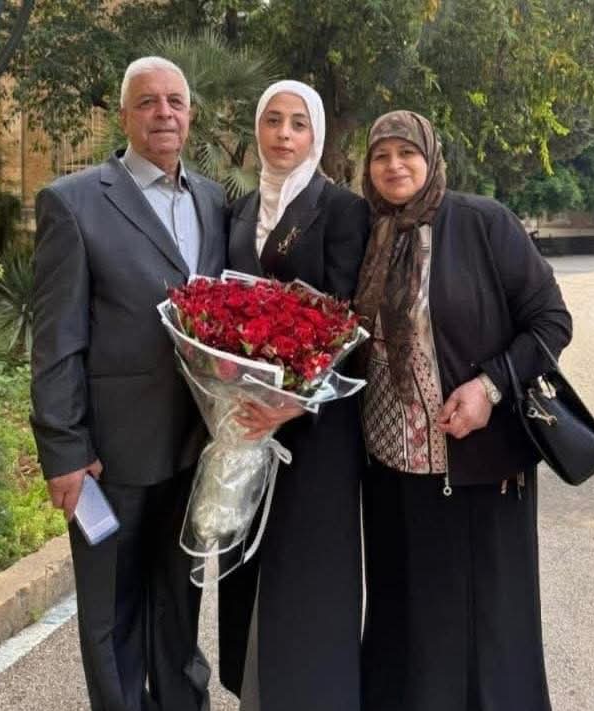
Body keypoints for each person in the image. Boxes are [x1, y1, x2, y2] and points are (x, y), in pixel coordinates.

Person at [354, 110, 572, 711]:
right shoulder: (370, 234)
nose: (394, 166)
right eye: (381, 155)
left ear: (431, 157)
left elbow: (551, 321)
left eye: (407, 153)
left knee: (484, 624)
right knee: (406, 618)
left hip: (476, 465)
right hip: (391, 470)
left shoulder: (481, 222)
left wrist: (489, 387)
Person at [30, 57, 227, 711]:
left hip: (192, 449)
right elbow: (56, 340)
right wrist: (64, 449)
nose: (163, 113)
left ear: (190, 114)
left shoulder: (212, 200)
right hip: (108, 458)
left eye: (175, 101)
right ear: (123, 116)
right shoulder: (74, 202)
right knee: (112, 613)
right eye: (147, 102)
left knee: (179, 603)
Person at [218, 80, 370, 711]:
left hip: (317, 423)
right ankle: (254, 693)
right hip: (247, 418)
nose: (284, 134)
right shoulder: (239, 208)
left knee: (306, 568)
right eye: (273, 120)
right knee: (247, 561)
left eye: (298, 123)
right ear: (258, 129)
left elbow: (349, 317)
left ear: (317, 135)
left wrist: (298, 398)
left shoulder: (341, 208)